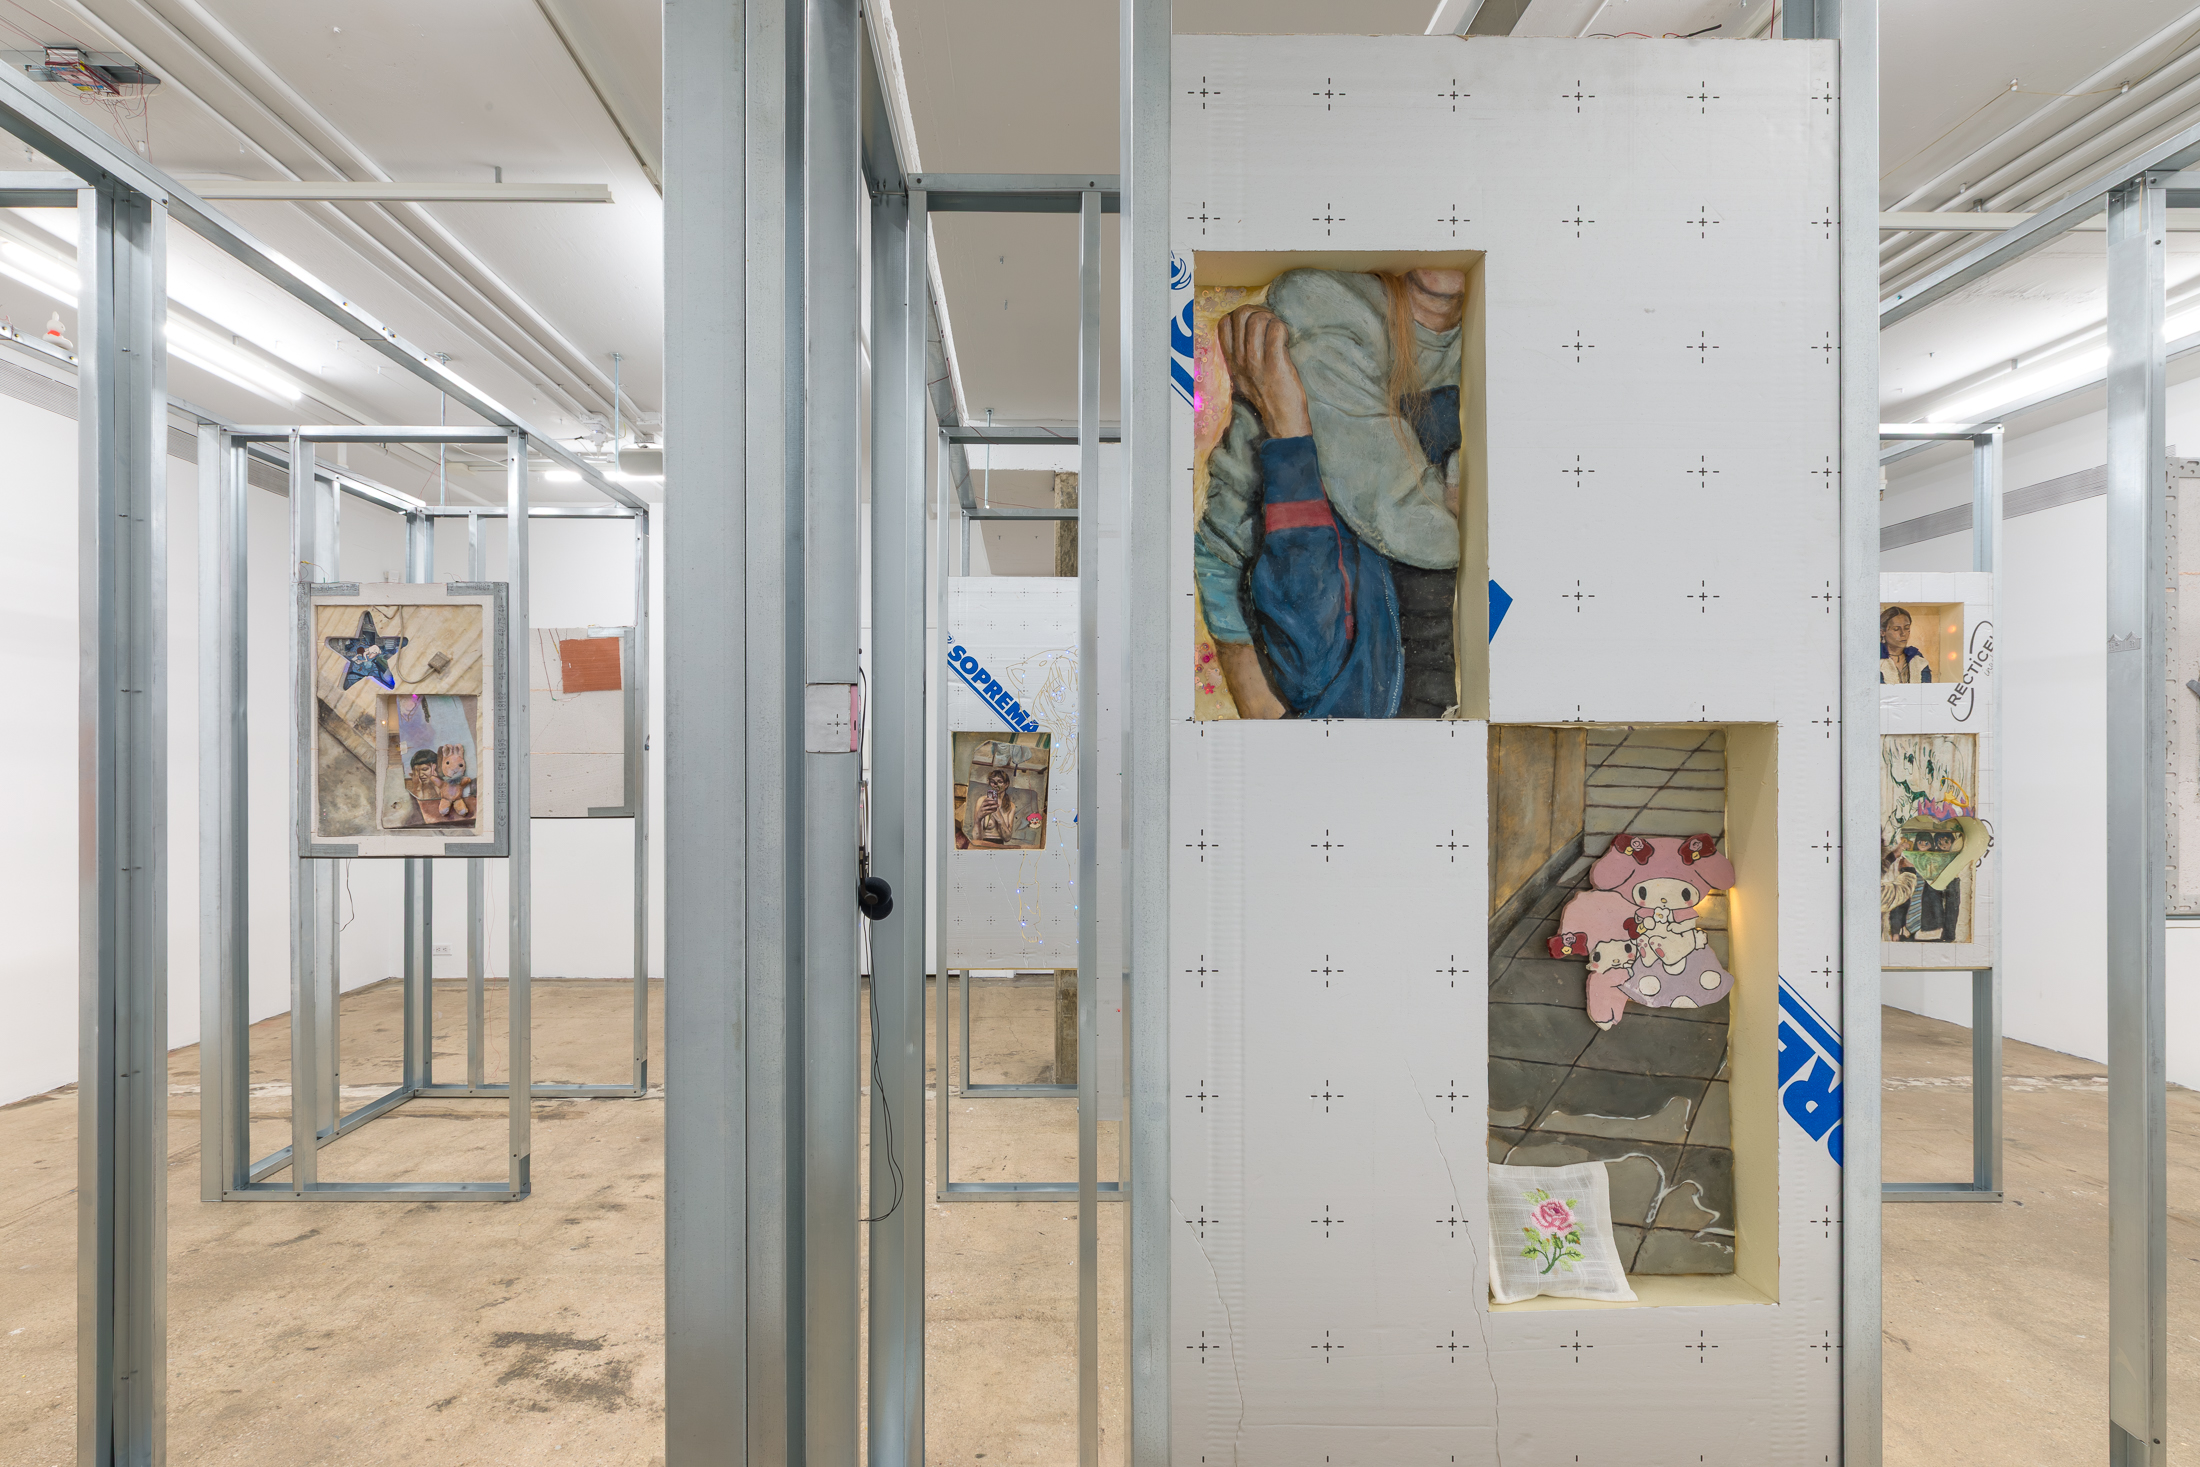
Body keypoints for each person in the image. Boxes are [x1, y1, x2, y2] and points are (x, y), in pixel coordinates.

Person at [1196, 268, 1466, 719]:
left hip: (1369, 688)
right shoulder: (1321, 310)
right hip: (1371, 692)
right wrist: (1290, 441)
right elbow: (1416, 528)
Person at [1880, 606, 1930, 683]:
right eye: (1896, 629)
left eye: (1906, 628)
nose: (1903, 633)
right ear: (1882, 632)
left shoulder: (1917, 659)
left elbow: (1926, 687)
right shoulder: (1876, 659)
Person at [971, 766, 1018, 845]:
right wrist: (978, 819)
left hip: (1000, 846)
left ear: (1006, 784)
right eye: (993, 782)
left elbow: (1007, 838)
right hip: (984, 844)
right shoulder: (982, 801)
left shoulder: (1011, 806)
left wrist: (999, 818)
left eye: (1000, 782)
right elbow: (976, 838)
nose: (996, 785)